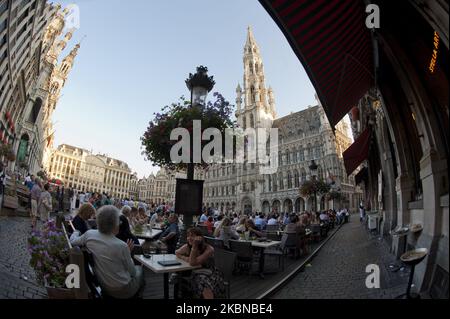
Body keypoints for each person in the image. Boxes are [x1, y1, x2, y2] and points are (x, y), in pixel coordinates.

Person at [70, 205, 144, 299]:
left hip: (103, 285)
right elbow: (132, 272)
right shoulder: (121, 245)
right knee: (140, 270)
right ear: (114, 224)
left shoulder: (89, 234)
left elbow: (72, 241)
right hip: (122, 290)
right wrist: (128, 254)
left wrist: (76, 231)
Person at [175, 227, 226, 299]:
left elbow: (192, 263)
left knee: (202, 281)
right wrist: (186, 258)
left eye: (192, 235)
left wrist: (195, 246)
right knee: (199, 280)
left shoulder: (209, 249)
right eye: (188, 236)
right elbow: (177, 252)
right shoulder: (187, 246)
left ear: (200, 237)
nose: (189, 238)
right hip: (195, 273)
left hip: (211, 274)